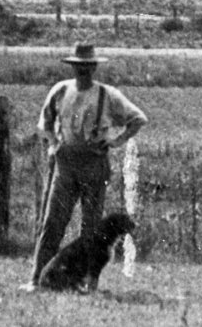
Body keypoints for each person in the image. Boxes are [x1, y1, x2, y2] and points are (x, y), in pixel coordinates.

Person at [27, 42, 147, 289]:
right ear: (72, 67)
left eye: (88, 66)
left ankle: (87, 282)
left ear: (94, 68)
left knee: (92, 230)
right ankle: (38, 279)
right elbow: (44, 125)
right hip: (66, 166)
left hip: (94, 166)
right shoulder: (60, 91)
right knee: (52, 223)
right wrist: (54, 143)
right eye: (79, 66)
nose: (84, 71)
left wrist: (116, 141)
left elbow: (138, 119)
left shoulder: (107, 94)